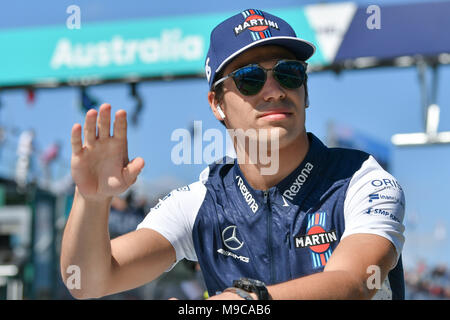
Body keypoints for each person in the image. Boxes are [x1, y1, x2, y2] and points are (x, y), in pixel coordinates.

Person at [61, 9, 406, 300]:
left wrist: (246, 301)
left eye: (288, 73)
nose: (274, 91)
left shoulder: (361, 179)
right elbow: (89, 281)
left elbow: (355, 283)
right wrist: (91, 200)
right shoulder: (200, 202)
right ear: (216, 104)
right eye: (250, 78)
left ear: (305, 89)